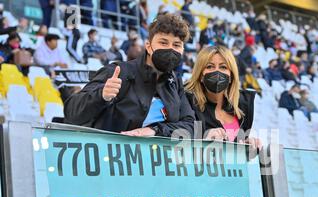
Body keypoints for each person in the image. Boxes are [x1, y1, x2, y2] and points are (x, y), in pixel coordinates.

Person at [64, 13, 195, 137]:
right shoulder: (118, 72)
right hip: (110, 155)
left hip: (152, 157)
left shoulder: (175, 82)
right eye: (163, 42)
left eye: (177, 45)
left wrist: (155, 130)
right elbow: (71, 112)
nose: (170, 49)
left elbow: (189, 125)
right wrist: (101, 95)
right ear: (148, 46)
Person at [185, 45, 261, 150]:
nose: (217, 72)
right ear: (201, 75)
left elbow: (237, 157)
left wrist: (248, 146)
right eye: (210, 66)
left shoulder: (243, 105)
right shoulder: (187, 102)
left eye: (223, 67)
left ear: (231, 76)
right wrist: (203, 139)